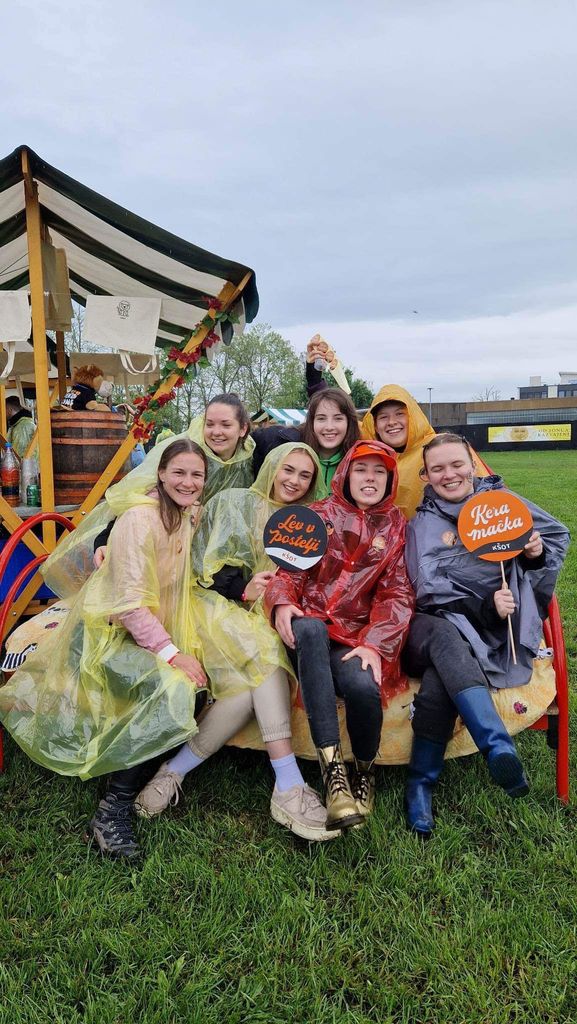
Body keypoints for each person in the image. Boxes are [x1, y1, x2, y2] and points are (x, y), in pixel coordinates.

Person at [0, 439, 209, 859]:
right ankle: (112, 810)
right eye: (179, 472)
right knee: (174, 689)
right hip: (104, 638)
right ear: (161, 474)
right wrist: (171, 654)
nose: (188, 482)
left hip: (139, 632)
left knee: (201, 686)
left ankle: (140, 770)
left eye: (197, 475)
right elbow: (129, 605)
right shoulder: (139, 519)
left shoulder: (185, 515)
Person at [137, 443, 335, 841]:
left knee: (247, 691)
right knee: (265, 653)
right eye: (288, 469)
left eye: (305, 475)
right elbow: (201, 563)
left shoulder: (312, 522)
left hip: (264, 615)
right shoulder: (235, 502)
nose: (294, 481)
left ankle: (172, 772)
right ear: (273, 467)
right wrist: (243, 587)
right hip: (210, 606)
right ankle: (290, 784)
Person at [403, 433, 570, 837]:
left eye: (457, 464)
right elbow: (428, 590)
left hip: (498, 630)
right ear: (425, 475)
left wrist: (533, 555)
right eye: (437, 468)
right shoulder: (422, 524)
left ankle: (420, 784)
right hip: (441, 623)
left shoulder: (502, 506)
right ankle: (494, 745)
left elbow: (554, 537)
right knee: (447, 638)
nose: (449, 474)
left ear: (473, 465)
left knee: (442, 675)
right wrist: (483, 606)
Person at [264, 440, 415, 832]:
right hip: (307, 627)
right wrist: (282, 602)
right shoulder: (318, 515)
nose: (370, 478)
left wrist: (375, 644)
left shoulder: (396, 527)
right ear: (347, 474)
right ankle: (334, 779)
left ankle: (364, 771)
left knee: (363, 687)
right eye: (362, 469)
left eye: (379, 472)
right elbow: (289, 570)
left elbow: (396, 594)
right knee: (312, 628)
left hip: (353, 637)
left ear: (390, 480)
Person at [252, 387, 360, 496]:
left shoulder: (360, 460)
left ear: (349, 422)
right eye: (321, 418)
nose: (329, 427)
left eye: (338, 419)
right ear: (311, 422)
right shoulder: (288, 446)